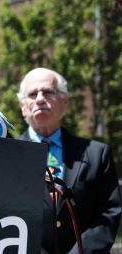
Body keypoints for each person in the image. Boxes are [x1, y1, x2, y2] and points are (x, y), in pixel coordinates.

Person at [17, 67, 121, 253]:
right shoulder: (9, 155)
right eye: (32, 94)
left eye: (48, 92)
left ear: (65, 101)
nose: (40, 99)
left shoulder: (97, 154)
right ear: (23, 106)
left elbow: (108, 214)